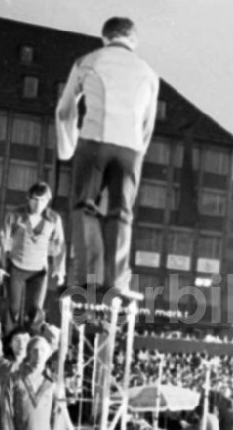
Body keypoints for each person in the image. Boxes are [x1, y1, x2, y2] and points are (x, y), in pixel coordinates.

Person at [55, 16, 159, 296]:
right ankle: (117, 282)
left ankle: (88, 277)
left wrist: (67, 147)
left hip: (94, 141)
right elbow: (148, 124)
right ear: (133, 40)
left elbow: (66, 110)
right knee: (121, 213)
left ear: (105, 37)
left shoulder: (88, 61)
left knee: (84, 207)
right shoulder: (149, 73)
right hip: (130, 148)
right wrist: (138, 152)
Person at [0, 182, 65, 329]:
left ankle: (32, 343)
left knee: (35, 310)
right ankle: (9, 346)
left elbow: (59, 244)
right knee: (12, 308)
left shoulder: (54, 219)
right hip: (16, 268)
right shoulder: (15, 215)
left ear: (48, 201)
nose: (39, 204)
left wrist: (59, 270)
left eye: (43, 200)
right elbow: (2, 239)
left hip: (39, 271)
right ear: (28, 198)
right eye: (35, 199)